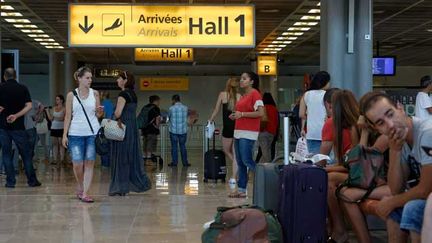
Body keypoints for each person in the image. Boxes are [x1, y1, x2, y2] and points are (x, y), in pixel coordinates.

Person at [359, 91, 432, 243]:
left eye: (390, 114)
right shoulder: (400, 140)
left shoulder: (427, 132)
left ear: (400, 108)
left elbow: (425, 190)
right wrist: (395, 150)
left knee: (412, 208)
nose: (390, 125)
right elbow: (395, 189)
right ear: (377, 129)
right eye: (381, 123)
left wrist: (390, 202)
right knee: (396, 209)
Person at [325, 90, 390, 243]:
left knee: (334, 185)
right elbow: (356, 163)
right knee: (340, 190)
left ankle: (343, 232)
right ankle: (354, 236)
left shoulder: (385, 134)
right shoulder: (361, 130)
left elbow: (361, 164)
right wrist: (364, 132)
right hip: (373, 177)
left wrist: (365, 133)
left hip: (382, 180)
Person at [62, 67, 103, 203]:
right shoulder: (71, 95)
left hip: (92, 132)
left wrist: (100, 111)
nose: (90, 80)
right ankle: (80, 185)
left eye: (91, 78)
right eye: (87, 78)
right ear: (79, 78)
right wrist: (64, 134)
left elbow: (98, 115)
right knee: (77, 164)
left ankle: (85, 192)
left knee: (89, 162)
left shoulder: (95, 93)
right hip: (75, 133)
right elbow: (68, 115)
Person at [109, 70, 152, 196]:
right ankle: (134, 183)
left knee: (122, 156)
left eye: (119, 78)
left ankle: (121, 187)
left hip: (122, 127)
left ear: (125, 80)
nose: (117, 80)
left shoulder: (123, 94)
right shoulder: (133, 94)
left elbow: (118, 113)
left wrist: (112, 114)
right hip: (132, 127)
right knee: (130, 155)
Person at [0, 68, 41, 188]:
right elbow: (28, 106)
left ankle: (10, 182)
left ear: (4, 77)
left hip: (3, 126)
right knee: (26, 154)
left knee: (6, 154)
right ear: (15, 76)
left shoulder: (0, 88)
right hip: (18, 127)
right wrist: (16, 116)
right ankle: (32, 181)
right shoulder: (23, 88)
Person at [228, 71, 264, 198]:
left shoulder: (255, 94)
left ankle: (265, 178)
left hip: (248, 133)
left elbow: (260, 113)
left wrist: (242, 114)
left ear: (252, 81)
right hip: (238, 131)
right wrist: (236, 115)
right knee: (240, 162)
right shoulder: (243, 96)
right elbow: (241, 112)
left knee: (246, 159)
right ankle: (242, 189)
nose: (241, 81)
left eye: (244, 79)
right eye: (241, 78)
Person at [208, 77, 241, 186]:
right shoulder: (239, 96)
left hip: (227, 127)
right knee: (235, 153)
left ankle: (237, 170)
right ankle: (235, 175)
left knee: (226, 150)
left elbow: (216, 109)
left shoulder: (222, 95)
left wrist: (211, 119)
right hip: (237, 126)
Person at [299, 71, 330, 154]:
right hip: (326, 133)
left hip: (311, 134)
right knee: (327, 161)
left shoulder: (306, 95)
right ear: (325, 82)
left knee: (314, 162)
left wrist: (303, 128)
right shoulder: (328, 95)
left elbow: (301, 114)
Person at [167, 94, 190, 167]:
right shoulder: (185, 108)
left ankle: (174, 163)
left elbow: (168, 118)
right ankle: (185, 163)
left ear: (173, 100)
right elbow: (187, 117)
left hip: (173, 131)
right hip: (183, 131)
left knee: (174, 147)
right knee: (183, 146)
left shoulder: (171, 108)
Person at [257, 92, 279, 163]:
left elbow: (261, 119)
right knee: (267, 152)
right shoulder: (275, 109)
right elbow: (277, 122)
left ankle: (257, 170)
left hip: (263, 132)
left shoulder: (263, 107)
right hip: (272, 133)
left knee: (265, 154)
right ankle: (264, 169)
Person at [141, 95, 161, 165]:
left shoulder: (145, 107)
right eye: (159, 101)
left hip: (144, 129)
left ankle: (144, 158)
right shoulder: (155, 108)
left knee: (145, 143)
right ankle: (149, 160)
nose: (159, 102)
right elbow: (158, 118)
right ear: (156, 101)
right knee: (150, 143)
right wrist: (157, 126)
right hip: (152, 129)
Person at [46, 95, 65, 166]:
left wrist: (56, 118)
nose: (56, 101)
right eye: (56, 99)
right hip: (53, 127)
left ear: (61, 100)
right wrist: (47, 111)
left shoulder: (64, 108)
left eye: (58, 99)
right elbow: (51, 119)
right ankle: (55, 159)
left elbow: (63, 118)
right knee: (54, 144)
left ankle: (62, 159)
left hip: (61, 128)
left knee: (61, 144)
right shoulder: (54, 108)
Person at [100, 92, 114, 168]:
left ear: (104, 96)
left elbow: (103, 115)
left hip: (105, 125)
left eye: (101, 94)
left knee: (104, 145)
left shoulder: (103, 104)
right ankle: (110, 163)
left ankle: (105, 164)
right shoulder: (111, 103)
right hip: (111, 125)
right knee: (110, 145)